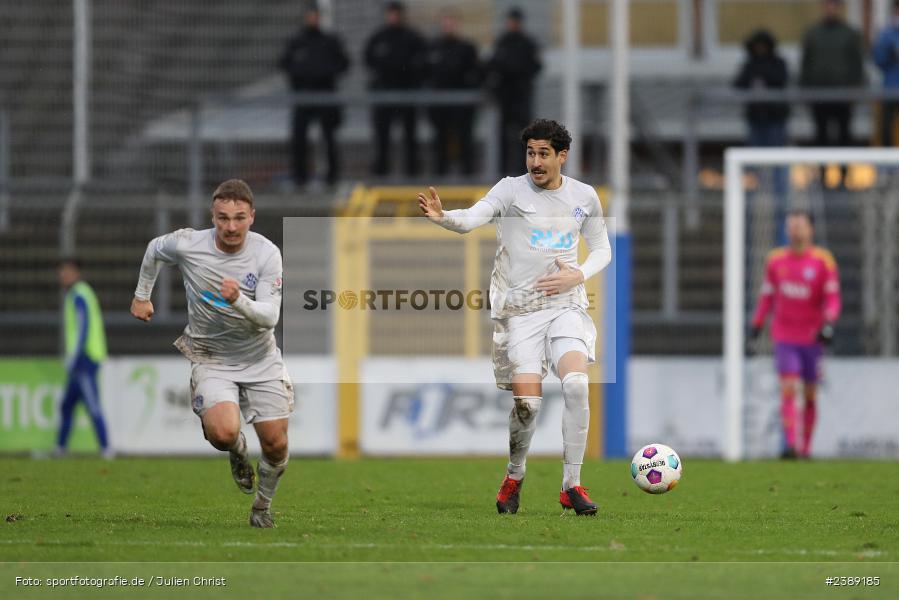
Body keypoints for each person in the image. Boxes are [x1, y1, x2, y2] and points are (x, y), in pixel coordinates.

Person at [418, 119, 612, 515]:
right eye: (530, 153)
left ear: (562, 156)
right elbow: (474, 217)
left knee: (576, 385)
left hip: (565, 306)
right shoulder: (509, 190)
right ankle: (514, 475)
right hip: (519, 312)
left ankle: (572, 485)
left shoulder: (584, 196)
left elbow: (602, 249)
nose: (535, 161)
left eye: (544, 153)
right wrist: (445, 218)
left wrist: (578, 274)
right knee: (529, 406)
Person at [130, 179, 293, 528]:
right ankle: (237, 451)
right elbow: (155, 249)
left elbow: (270, 317)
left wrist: (238, 300)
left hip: (261, 358)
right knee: (221, 432)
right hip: (211, 356)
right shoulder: (190, 244)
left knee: (276, 444)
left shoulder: (267, 254)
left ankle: (261, 507)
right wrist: (142, 295)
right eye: (222, 218)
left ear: (251, 216)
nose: (230, 226)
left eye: (238, 218)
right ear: (213, 216)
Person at [750, 211, 842, 459]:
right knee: (788, 388)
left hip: (812, 337)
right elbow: (767, 295)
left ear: (810, 230)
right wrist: (757, 323)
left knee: (810, 393)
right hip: (785, 336)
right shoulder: (776, 260)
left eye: (800, 226)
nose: (795, 231)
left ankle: (806, 449)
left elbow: (832, 298)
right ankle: (791, 445)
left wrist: (829, 322)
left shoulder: (823, 261)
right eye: (791, 226)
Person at [279, 4, 350, 187]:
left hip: (326, 96)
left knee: (329, 138)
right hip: (303, 97)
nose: (313, 19)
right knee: (299, 138)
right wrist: (301, 76)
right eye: (310, 16)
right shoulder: (297, 42)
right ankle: (300, 178)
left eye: (315, 16)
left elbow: (344, 63)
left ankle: (332, 178)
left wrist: (325, 73)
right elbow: (284, 64)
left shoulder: (329, 41)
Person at [799, 0, 865, 185]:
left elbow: (857, 64)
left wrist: (856, 90)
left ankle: (844, 177)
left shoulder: (850, 33)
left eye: (834, 5)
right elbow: (806, 64)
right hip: (819, 95)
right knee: (821, 136)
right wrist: (805, 89)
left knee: (844, 136)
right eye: (828, 4)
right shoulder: (813, 33)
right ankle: (822, 175)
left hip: (843, 95)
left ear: (840, 8)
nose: (831, 8)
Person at [56, 258, 112, 458]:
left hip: (84, 360)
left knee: (92, 404)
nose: (62, 275)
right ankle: (60, 448)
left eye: (66, 271)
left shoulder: (79, 294)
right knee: (67, 405)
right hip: (82, 360)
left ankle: (106, 449)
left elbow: (82, 328)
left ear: (76, 272)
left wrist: (74, 357)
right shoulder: (81, 293)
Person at [364, 1, 427, 176]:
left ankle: (412, 173)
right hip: (384, 96)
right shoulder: (379, 38)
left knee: (410, 136)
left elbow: (421, 63)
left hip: (407, 95)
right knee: (382, 136)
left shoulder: (412, 38)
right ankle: (381, 172)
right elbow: (369, 60)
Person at [486, 8, 542, 176]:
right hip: (506, 97)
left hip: (521, 96)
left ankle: (523, 168)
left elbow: (534, 67)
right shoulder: (503, 42)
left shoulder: (526, 43)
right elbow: (494, 66)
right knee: (503, 135)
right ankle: (503, 171)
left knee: (524, 136)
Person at [425, 10, 481, 176]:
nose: (448, 27)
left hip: (462, 107)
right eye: (446, 23)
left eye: (451, 23)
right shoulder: (433, 48)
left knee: (465, 140)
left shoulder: (466, 48)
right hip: (440, 106)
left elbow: (475, 73)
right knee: (440, 142)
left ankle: (467, 176)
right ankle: (439, 177)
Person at [872, 0, 899, 146]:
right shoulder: (886, 34)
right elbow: (878, 60)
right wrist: (891, 54)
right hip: (890, 88)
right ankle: (887, 166)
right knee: (886, 129)